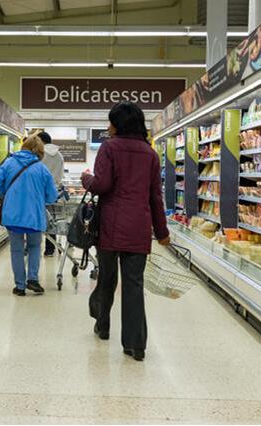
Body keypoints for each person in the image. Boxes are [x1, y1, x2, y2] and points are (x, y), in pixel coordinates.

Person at [81, 101, 170, 362]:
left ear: (119, 124)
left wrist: (88, 179)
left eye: (111, 122)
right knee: (134, 285)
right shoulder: (150, 153)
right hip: (138, 228)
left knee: (107, 279)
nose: (108, 127)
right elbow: (156, 197)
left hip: (111, 226)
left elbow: (103, 185)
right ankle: (136, 345)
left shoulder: (109, 147)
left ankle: (103, 326)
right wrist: (162, 231)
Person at [0, 133, 58, 296]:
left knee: (16, 250)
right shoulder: (42, 169)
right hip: (34, 215)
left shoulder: (9, 163)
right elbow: (52, 196)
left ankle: (19, 286)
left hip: (12, 214)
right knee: (35, 247)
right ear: (40, 152)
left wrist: (6, 193)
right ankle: (33, 279)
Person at [38, 131, 64, 256]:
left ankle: (32, 246)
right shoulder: (59, 155)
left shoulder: (40, 154)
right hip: (53, 191)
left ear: (41, 141)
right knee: (52, 220)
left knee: (38, 219)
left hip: (39, 191)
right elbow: (60, 175)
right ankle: (50, 248)